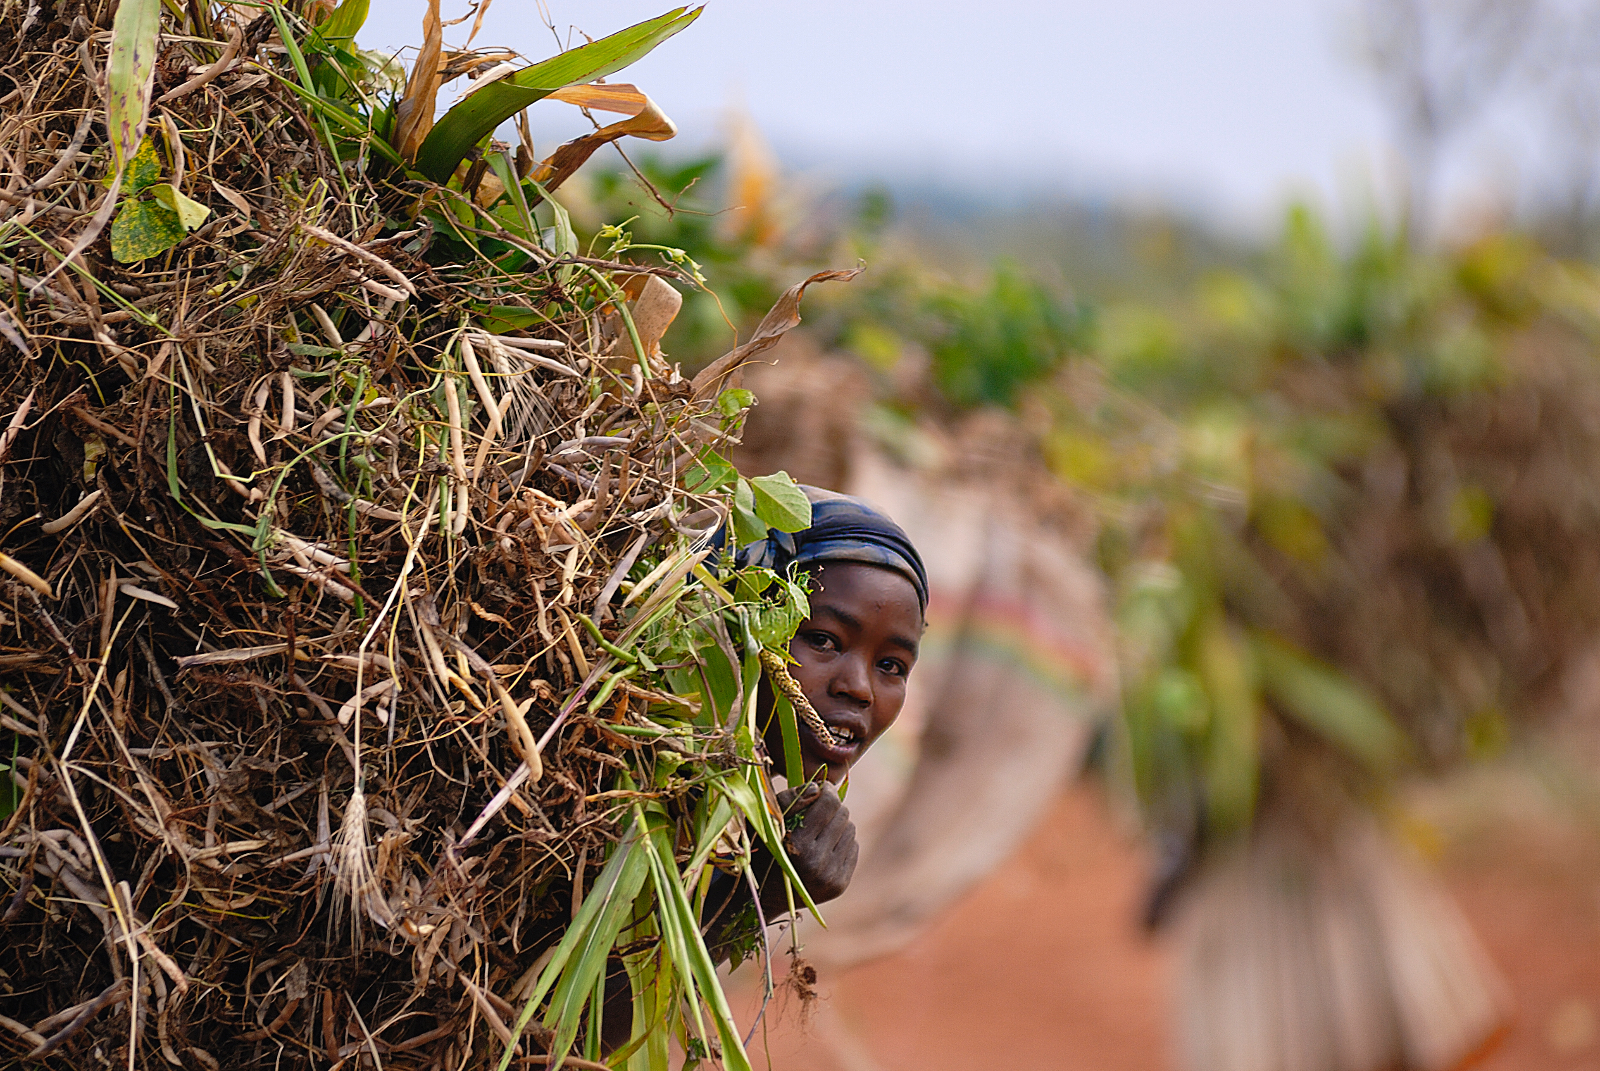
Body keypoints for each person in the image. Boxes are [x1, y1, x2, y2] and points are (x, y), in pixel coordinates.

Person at [709, 486, 928, 950]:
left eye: (891, 666)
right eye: (824, 640)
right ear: (735, 625)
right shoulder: (635, 785)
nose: (860, 688)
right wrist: (752, 900)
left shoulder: (730, 810)